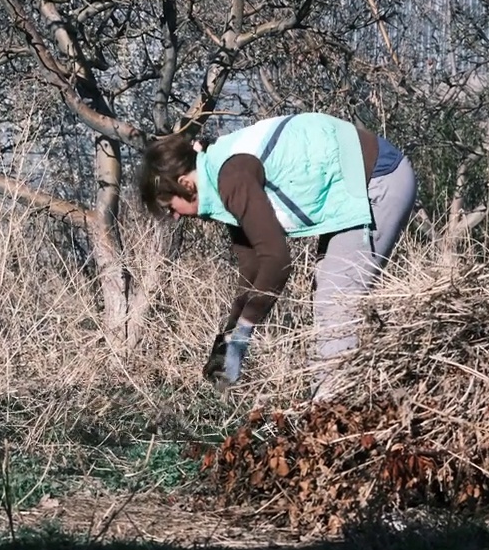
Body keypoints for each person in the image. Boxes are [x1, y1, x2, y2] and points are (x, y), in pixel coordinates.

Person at [137, 111, 417, 399]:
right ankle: (366, 401)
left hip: (377, 178)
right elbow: (252, 266)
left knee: (336, 299)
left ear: (185, 184)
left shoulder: (231, 178)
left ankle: (332, 417)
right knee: (332, 298)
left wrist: (242, 337)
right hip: (353, 184)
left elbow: (278, 262)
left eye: (169, 207)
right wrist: (228, 338)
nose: (173, 217)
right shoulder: (216, 175)